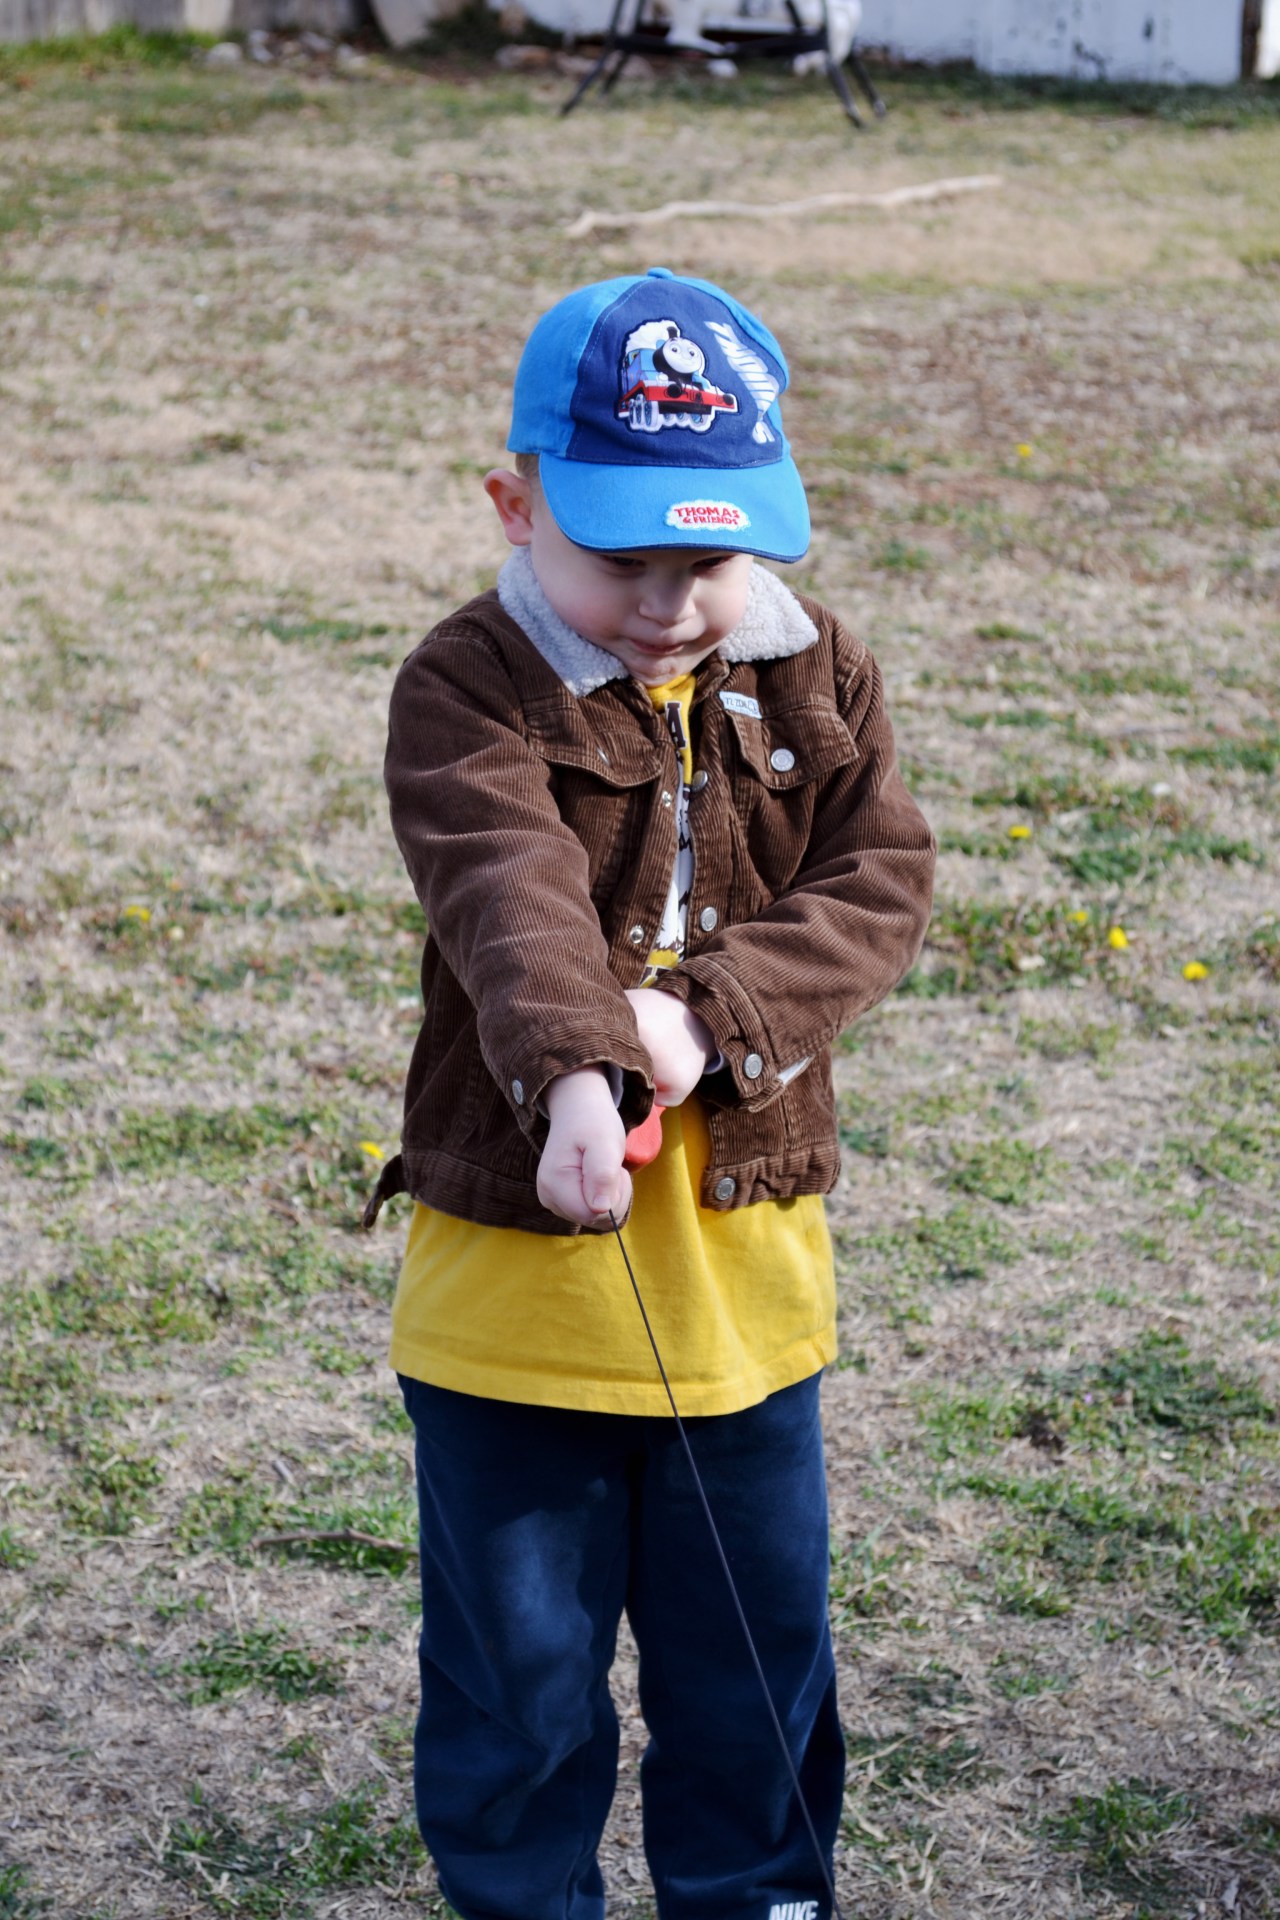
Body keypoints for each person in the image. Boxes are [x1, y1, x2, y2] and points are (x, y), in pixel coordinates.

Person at [364, 267, 935, 1920]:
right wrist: (579, 1075)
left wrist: (705, 1019)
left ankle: (759, 1899)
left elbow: (879, 882)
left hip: (744, 1303)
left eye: (712, 557)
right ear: (516, 504)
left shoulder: (815, 673)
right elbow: (508, 888)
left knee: (752, 1674)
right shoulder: (471, 683)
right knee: (520, 1690)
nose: (674, 603)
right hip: (516, 1310)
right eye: (623, 558)